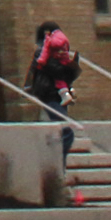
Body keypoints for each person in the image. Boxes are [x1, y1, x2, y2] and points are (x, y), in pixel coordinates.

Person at [31, 22, 83, 166]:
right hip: (49, 96)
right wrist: (71, 65)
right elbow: (57, 71)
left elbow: (67, 76)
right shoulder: (43, 53)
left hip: (58, 96)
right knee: (66, 131)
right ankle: (57, 166)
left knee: (59, 132)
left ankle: (60, 168)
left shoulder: (57, 54)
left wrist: (72, 64)